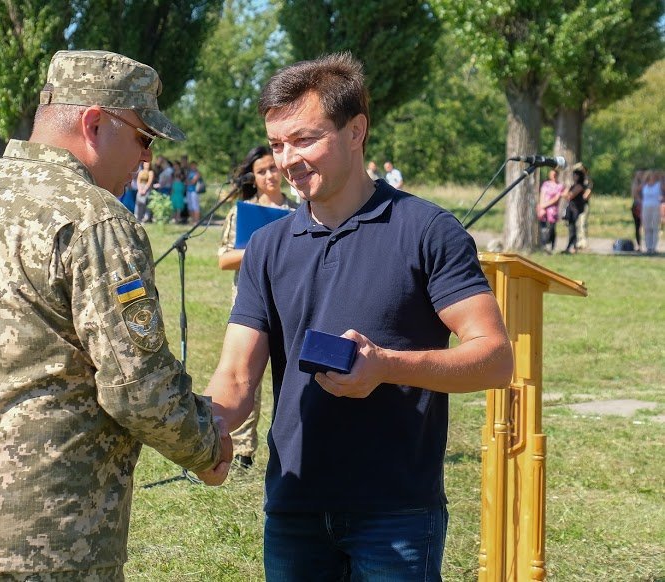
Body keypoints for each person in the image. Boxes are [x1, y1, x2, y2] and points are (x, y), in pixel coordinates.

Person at [0, 50, 232, 581]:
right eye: (143, 138)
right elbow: (139, 388)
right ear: (95, 123)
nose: (146, 160)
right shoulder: (95, 220)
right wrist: (207, 445)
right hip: (41, 541)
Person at [203, 52, 513, 581]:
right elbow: (235, 378)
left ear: (356, 131)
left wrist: (385, 365)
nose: (287, 160)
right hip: (294, 503)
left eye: (304, 139)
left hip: (395, 510)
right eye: (277, 144)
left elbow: (494, 359)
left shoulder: (428, 230)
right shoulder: (267, 247)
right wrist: (194, 432)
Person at [217, 145, 298, 469]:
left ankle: (292, 447)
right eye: (262, 171)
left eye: (272, 169)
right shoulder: (243, 212)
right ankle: (243, 451)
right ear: (254, 176)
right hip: (251, 304)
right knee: (246, 378)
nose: (269, 176)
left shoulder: (299, 209)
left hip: (290, 302)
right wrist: (264, 244)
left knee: (293, 376)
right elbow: (225, 258)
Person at [561, 167, 588, 254]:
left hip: (577, 209)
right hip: (571, 209)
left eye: (575, 175)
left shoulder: (580, 186)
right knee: (571, 228)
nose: (574, 176)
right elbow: (564, 194)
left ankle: (573, 246)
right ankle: (570, 246)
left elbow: (570, 196)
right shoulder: (573, 185)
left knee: (575, 229)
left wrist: (568, 190)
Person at [537, 169, 564, 252]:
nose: (553, 176)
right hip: (543, 209)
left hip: (553, 210)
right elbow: (542, 195)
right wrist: (542, 207)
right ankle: (543, 245)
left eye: (555, 174)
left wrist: (544, 205)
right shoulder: (546, 184)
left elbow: (556, 198)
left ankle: (552, 246)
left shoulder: (560, 186)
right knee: (543, 228)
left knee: (552, 229)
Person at [640, 169, 663, 254]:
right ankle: (648, 246)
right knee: (647, 227)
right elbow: (636, 191)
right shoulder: (644, 185)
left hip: (656, 207)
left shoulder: (659, 185)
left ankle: (654, 247)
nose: (652, 177)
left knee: (655, 227)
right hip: (645, 207)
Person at [573, 162, 593, 250]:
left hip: (584, 205)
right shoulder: (577, 181)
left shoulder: (587, 181)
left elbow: (587, 194)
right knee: (577, 224)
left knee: (583, 223)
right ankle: (578, 242)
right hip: (577, 205)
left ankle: (584, 242)